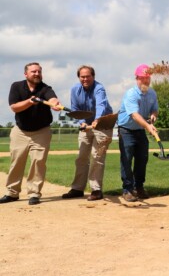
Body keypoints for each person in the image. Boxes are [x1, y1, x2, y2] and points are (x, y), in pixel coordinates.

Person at [1, 62, 62, 205]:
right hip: (20, 131)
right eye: (33, 71)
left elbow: (52, 98)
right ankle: (12, 192)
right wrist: (30, 101)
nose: (37, 74)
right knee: (16, 162)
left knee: (38, 162)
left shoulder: (45, 88)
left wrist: (54, 103)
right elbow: (14, 107)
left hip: (41, 131)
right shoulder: (16, 86)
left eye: (39, 71)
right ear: (26, 74)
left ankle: (34, 193)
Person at [61, 65, 113, 201]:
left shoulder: (99, 88)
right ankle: (77, 189)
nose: (85, 79)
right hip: (86, 126)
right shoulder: (74, 90)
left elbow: (101, 105)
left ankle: (96, 190)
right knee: (82, 158)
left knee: (97, 157)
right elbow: (75, 108)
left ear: (93, 77)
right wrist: (82, 122)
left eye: (88, 76)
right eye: (82, 76)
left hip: (103, 125)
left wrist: (97, 120)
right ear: (79, 77)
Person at [116, 64, 159, 202]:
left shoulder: (152, 93)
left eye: (147, 78)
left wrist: (153, 116)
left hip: (140, 130)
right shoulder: (131, 94)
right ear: (137, 78)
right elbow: (134, 115)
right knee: (127, 159)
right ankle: (127, 189)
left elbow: (154, 109)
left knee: (142, 159)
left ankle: (139, 187)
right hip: (126, 130)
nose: (145, 81)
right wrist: (148, 126)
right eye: (142, 78)